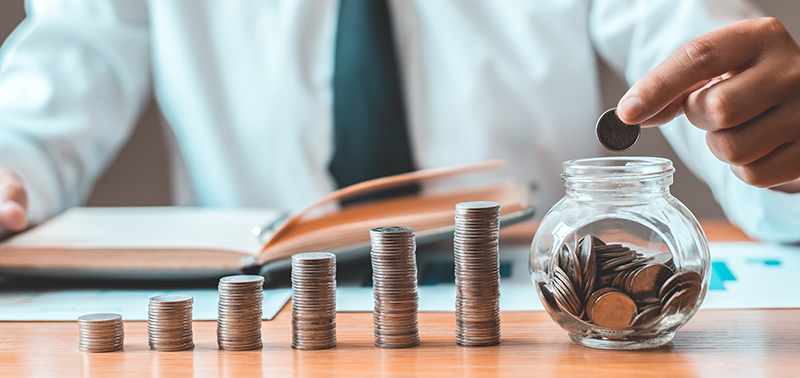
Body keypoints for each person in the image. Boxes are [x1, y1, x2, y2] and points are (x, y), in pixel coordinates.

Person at [0, 0, 798, 242]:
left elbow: (709, 65)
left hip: (533, 318)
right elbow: (48, 92)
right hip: (261, 331)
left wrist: (781, 145)